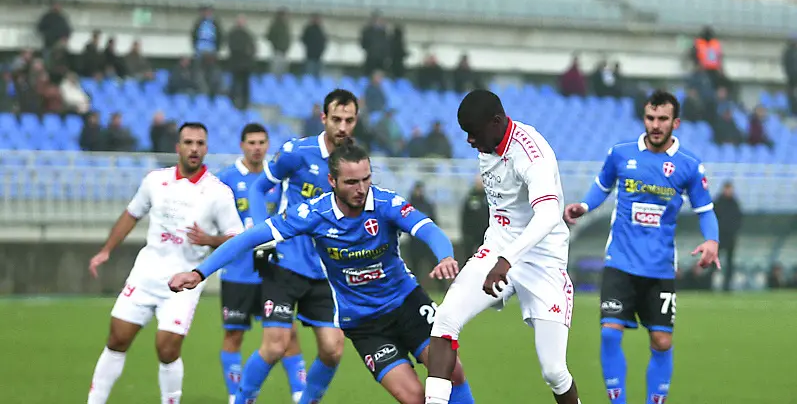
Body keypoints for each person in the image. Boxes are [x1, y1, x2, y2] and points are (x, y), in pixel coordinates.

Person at [169, 142, 476, 404]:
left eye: (366, 179)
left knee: (453, 370)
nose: (361, 189)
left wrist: (445, 255)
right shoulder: (314, 214)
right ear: (332, 180)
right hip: (364, 323)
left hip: (407, 302)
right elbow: (249, 238)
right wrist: (199, 272)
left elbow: (429, 230)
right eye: (351, 182)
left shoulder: (385, 203)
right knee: (413, 398)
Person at [563, 90, 721, 404]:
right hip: (619, 260)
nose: (655, 125)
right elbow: (601, 188)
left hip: (659, 266)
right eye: (650, 118)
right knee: (610, 332)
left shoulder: (688, 165)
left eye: (663, 119)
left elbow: (705, 210)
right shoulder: (621, 154)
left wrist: (712, 240)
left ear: (676, 122)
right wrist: (583, 205)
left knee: (662, 341)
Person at [425, 90, 581, 404]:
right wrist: (498, 254)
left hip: (542, 260)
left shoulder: (530, 152)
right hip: (497, 248)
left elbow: (548, 214)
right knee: (444, 319)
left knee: (553, 370)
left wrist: (507, 260)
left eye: (473, 133)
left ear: (497, 122)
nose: (469, 141)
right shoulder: (488, 143)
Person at [86, 123, 244, 404]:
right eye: (188, 142)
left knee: (167, 348)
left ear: (206, 148)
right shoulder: (155, 181)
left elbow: (237, 238)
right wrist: (106, 250)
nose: (194, 148)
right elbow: (132, 213)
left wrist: (208, 239)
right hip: (146, 274)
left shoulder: (218, 192)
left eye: (199, 143)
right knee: (117, 339)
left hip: (184, 281)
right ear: (178, 147)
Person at [230, 89, 358, 403]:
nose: (342, 126)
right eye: (336, 119)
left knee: (333, 349)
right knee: (275, 345)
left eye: (349, 120)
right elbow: (260, 188)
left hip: (326, 269)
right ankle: (243, 398)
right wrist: (264, 233)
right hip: (285, 262)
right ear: (323, 118)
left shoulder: (355, 162)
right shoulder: (296, 152)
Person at [215, 123, 306, 404]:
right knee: (234, 334)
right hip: (238, 272)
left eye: (261, 142)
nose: (256, 147)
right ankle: (236, 396)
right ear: (242, 145)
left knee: (288, 333)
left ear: (268, 146)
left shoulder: (278, 179)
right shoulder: (225, 180)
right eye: (251, 142)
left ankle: (299, 393)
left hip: (273, 271)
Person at [713, 180, 742, 292]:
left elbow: (739, 218)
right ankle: (710, 284)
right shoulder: (718, 202)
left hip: (730, 237)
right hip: (718, 237)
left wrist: (734, 230)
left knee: (730, 262)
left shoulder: (734, 203)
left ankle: (727, 286)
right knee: (714, 261)